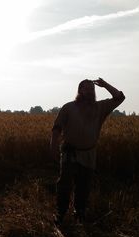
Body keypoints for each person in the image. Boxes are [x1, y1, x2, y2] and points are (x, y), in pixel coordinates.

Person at [50, 78, 125, 225]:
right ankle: (61, 213)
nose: (90, 91)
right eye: (86, 88)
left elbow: (119, 97)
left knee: (83, 186)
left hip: (89, 154)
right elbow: (56, 128)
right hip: (69, 153)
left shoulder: (100, 107)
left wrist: (105, 85)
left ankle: (80, 213)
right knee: (65, 184)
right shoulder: (68, 107)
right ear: (80, 91)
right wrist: (52, 145)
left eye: (92, 88)